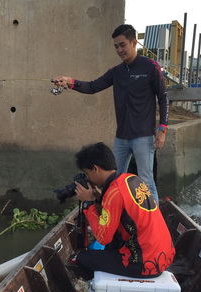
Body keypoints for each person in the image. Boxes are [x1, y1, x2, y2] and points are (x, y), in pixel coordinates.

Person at [54, 24, 169, 205]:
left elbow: (163, 98)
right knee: (113, 181)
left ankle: (153, 223)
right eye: (116, 46)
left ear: (134, 42)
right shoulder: (116, 72)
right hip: (121, 138)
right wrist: (70, 82)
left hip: (143, 136)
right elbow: (92, 87)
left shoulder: (150, 67)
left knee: (146, 182)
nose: (119, 50)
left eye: (122, 45)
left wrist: (162, 129)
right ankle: (114, 216)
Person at [73, 142, 175, 278]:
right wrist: (97, 197)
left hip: (144, 263)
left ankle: (95, 290)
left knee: (83, 258)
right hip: (164, 256)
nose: (88, 178)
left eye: (87, 173)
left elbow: (103, 238)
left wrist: (88, 203)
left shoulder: (114, 192)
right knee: (112, 244)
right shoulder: (131, 179)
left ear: (96, 168)